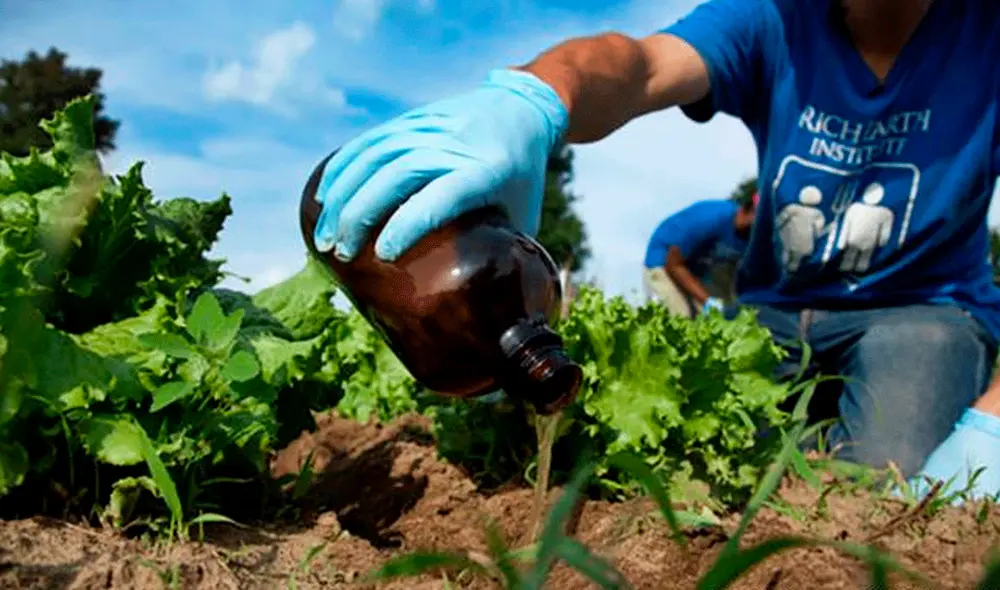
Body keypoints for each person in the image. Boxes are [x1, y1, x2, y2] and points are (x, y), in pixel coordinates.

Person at [309, 0, 1000, 499]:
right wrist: (536, 100)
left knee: (889, 482)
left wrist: (994, 428)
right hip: (776, 313)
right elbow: (637, 67)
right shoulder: (776, 18)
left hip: (924, 309)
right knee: (697, 466)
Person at [643, 194, 757, 318]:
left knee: (718, 319)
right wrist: (708, 301)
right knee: (680, 316)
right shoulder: (713, 217)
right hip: (663, 262)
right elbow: (673, 264)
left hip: (696, 269)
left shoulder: (752, 237)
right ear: (747, 209)